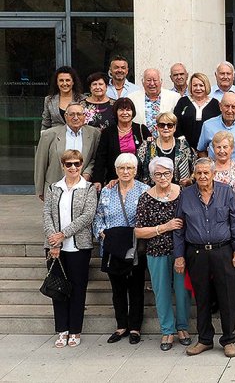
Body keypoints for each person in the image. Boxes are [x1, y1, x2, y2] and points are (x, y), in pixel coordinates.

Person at [173, 158, 235, 358]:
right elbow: (179, 228)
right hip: (196, 253)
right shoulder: (185, 195)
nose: (203, 177)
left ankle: (229, 340)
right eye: (199, 173)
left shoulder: (226, 192)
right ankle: (205, 339)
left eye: (206, 173)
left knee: (228, 296)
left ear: (213, 174)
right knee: (202, 297)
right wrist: (179, 256)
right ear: (194, 175)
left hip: (223, 251)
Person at [134, 157, 191, 351]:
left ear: (172, 174)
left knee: (183, 292)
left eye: (166, 173)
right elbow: (139, 231)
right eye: (158, 174)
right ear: (151, 176)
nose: (162, 177)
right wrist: (163, 227)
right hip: (156, 252)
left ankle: (183, 327)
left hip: (181, 252)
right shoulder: (146, 197)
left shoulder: (183, 193)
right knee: (162, 292)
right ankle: (167, 330)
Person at [42, 149, 97, 348]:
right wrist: (54, 242)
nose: (73, 167)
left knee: (77, 289)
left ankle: (75, 330)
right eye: (69, 164)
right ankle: (62, 330)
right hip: (55, 248)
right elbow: (47, 214)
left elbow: (88, 216)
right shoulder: (53, 188)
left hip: (79, 247)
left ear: (81, 165)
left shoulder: (89, 188)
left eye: (76, 164)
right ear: (62, 166)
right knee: (58, 289)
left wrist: (63, 234)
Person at [94, 153, 150, 346]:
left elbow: (149, 219)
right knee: (117, 289)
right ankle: (121, 326)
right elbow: (98, 216)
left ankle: (135, 327)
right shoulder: (108, 191)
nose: (125, 172)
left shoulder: (145, 190)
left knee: (136, 288)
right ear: (116, 170)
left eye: (130, 168)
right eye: (121, 168)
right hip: (112, 247)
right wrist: (103, 235)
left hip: (134, 247)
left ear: (135, 170)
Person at [35, 102, 100, 200]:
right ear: (66, 116)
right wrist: (40, 190)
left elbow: (95, 158)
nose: (75, 117)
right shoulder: (49, 135)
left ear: (84, 116)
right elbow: (40, 163)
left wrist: (87, 173)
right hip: (55, 187)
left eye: (79, 114)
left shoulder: (94, 134)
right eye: (72, 114)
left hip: (82, 187)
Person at [92, 98, 151, 187]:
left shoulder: (142, 129)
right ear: (116, 112)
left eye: (128, 110)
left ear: (133, 112)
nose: (125, 113)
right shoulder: (108, 132)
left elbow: (151, 154)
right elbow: (101, 158)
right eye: (121, 110)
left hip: (139, 180)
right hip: (114, 181)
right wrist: (97, 180)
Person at [137, 111, 196, 186]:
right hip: (151, 191)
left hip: (179, 192)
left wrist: (190, 180)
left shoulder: (183, 145)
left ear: (174, 128)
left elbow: (195, 168)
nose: (166, 128)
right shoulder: (146, 146)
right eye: (162, 125)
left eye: (170, 125)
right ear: (157, 127)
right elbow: (136, 170)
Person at [197, 92, 235, 163]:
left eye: (233, 107)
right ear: (220, 106)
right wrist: (210, 166)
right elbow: (201, 150)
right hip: (215, 172)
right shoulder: (208, 125)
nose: (230, 110)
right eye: (227, 106)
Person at [127, 68, 181, 139]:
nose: (152, 83)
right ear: (142, 82)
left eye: (155, 80)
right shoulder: (132, 98)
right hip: (141, 142)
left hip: (167, 143)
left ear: (161, 81)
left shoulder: (175, 97)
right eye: (148, 80)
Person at [173, 72, 221, 150]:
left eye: (201, 85)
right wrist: (182, 140)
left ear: (206, 86)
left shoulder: (214, 103)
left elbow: (219, 125)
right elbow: (175, 122)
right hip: (184, 147)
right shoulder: (183, 101)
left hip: (209, 149)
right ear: (191, 87)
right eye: (195, 85)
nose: (198, 88)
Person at [42, 66, 85, 130]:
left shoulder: (83, 99)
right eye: (61, 80)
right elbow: (46, 124)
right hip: (55, 138)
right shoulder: (49, 100)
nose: (64, 83)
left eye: (67, 80)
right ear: (57, 82)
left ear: (73, 82)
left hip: (77, 137)